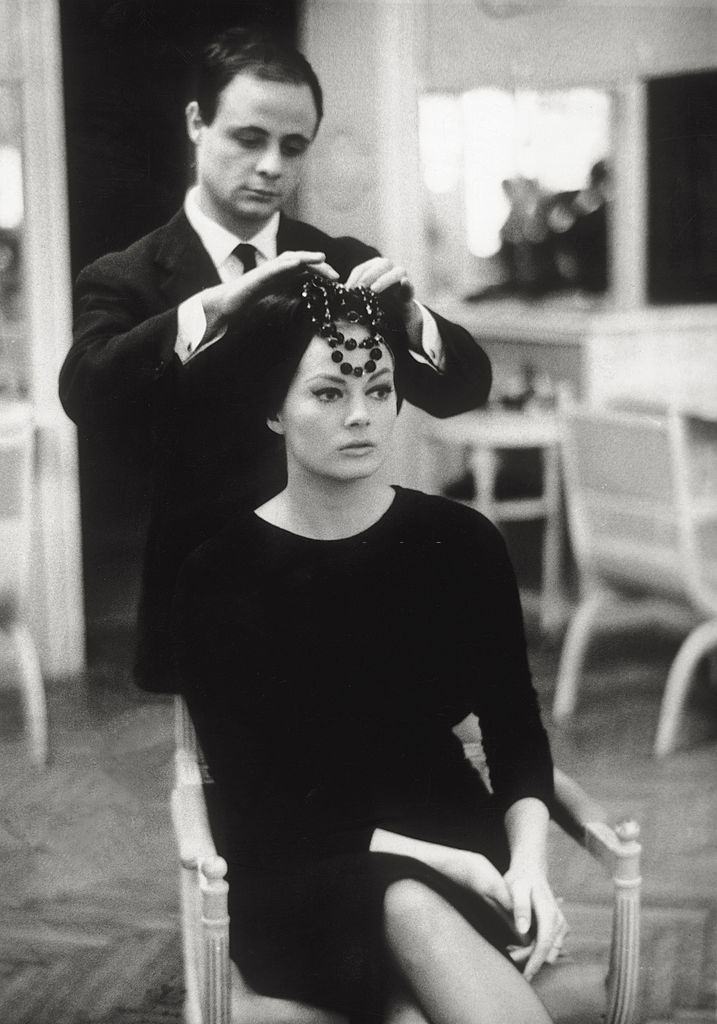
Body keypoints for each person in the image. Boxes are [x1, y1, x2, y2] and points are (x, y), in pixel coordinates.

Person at [171, 275, 567, 1024]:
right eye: (326, 393)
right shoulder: (218, 572)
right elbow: (263, 802)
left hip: (456, 838)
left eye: (379, 388)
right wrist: (443, 863)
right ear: (271, 410)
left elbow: (516, 732)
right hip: (298, 869)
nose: (360, 416)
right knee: (406, 903)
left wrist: (530, 870)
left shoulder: (461, 543)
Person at [58, 27, 492, 691]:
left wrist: (412, 319)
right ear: (197, 123)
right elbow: (86, 392)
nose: (270, 167)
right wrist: (214, 308)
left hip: (339, 577)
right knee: (216, 788)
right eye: (248, 138)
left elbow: (463, 388)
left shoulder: (338, 260)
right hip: (204, 591)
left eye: (293, 147)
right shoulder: (126, 277)